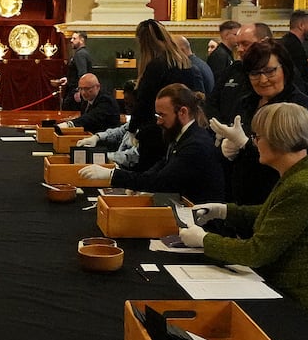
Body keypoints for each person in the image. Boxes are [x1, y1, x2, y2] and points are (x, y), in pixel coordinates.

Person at [174, 102, 308, 334]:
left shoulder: (303, 186)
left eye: (257, 136)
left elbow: (256, 252)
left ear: (278, 139)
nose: (254, 142)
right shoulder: (304, 171)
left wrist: (204, 240)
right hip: (290, 296)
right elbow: (273, 214)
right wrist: (224, 210)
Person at [209, 39, 308, 205]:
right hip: (241, 191)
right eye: (255, 73)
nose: (263, 79)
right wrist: (227, 147)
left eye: (269, 71)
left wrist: (245, 145)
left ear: (285, 70)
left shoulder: (298, 107)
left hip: (277, 195)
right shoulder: (245, 102)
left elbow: (289, 160)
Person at [78, 84, 224, 204]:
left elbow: (162, 181)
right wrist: (137, 183)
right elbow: (163, 164)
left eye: (162, 115)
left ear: (183, 112)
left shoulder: (195, 145)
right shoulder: (182, 135)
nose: (159, 121)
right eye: (157, 115)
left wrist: (112, 175)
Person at [127, 18, 199, 171]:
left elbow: (144, 102)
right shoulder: (185, 63)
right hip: (183, 129)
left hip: (156, 134)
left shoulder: (156, 66)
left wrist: (132, 129)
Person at [53, 31, 94, 108]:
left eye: (74, 38)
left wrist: (78, 91)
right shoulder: (82, 53)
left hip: (75, 93)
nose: (71, 40)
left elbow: (83, 74)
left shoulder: (80, 54)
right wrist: (68, 79)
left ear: (81, 40)